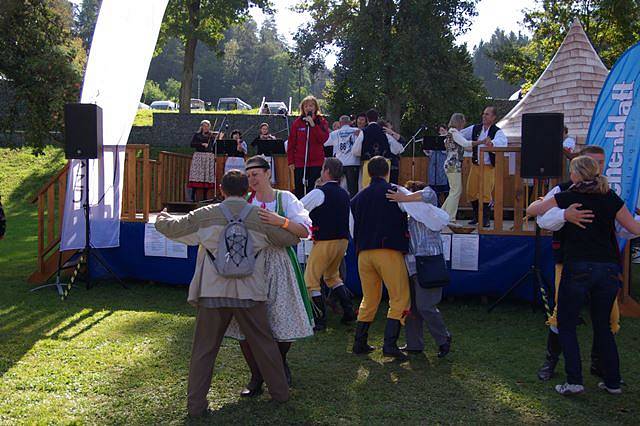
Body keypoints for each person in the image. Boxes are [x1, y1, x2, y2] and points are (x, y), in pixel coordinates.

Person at [155, 170, 297, 417]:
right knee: (264, 344)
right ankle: (280, 393)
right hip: (251, 293)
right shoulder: (260, 216)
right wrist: (279, 220)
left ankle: (196, 407)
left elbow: (171, 228)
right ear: (247, 191)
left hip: (212, 291)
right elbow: (289, 239)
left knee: (204, 349)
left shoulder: (206, 214)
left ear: (221, 190)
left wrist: (163, 215)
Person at [526, 155, 640, 396]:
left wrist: (554, 208)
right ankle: (612, 382)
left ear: (577, 174)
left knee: (567, 324)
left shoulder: (569, 196)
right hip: (608, 269)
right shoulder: (610, 198)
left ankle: (575, 381)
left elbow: (532, 210)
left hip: (578, 267)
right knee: (603, 326)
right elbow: (634, 228)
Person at [225, 156, 315, 397]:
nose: (251, 178)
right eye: (248, 174)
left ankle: (279, 361)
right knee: (245, 322)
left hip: (280, 264)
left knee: (282, 318)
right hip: (250, 266)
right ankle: (256, 376)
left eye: (255, 173)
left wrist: (281, 221)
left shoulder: (285, 199)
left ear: (267, 174)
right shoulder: (244, 202)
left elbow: (305, 231)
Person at [350, 156, 411, 361]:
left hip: (363, 253)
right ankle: (390, 345)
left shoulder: (358, 197)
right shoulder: (395, 190)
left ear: (369, 173)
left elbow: (352, 227)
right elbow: (414, 208)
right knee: (400, 297)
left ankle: (360, 342)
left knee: (370, 298)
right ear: (387, 172)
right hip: (388, 250)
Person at [386, 181, 452, 357]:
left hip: (430, 262)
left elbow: (429, 193)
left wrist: (403, 196)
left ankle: (444, 338)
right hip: (411, 265)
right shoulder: (409, 215)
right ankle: (414, 344)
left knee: (425, 306)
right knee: (412, 307)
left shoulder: (428, 206)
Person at [301, 158, 355, 331]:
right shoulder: (344, 194)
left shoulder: (319, 192)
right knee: (332, 277)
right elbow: (350, 220)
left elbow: (299, 207)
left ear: (326, 171)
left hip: (324, 240)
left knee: (310, 280)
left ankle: (320, 320)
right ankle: (348, 312)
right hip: (342, 241)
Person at [460, 106, 508, 227]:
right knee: (471, 191)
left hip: (488, 167)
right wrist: (452, 134)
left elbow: (502, 143)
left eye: (487, 114)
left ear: (493, 117)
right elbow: (461, 135)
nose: (484, 116)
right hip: (476, 165)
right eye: (483, 114)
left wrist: (492, 143)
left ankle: (485, 219)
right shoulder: (475, 128)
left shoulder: (497, 131)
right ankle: (477, 217)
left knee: (485, 193)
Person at [287, 95, 330, 199]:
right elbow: (291, 143)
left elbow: (323, 139)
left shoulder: (321, 121)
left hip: (316, 162)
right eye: (306, 106)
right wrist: (291, 161)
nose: (308, 108)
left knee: (313, 189)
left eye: (311, 105)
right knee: (300, 190)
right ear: (302, 108)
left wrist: (313, 125)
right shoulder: (297, 123)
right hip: (300, 162)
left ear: (315, 108)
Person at [440, 113, 480, 222]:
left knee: (454, 190)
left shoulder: (451, 133)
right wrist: (480, 141)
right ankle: (450, 217)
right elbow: (466, 144)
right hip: (453, 164)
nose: (464, 123)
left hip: (451, 164)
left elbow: (465, 148)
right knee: (456, 191)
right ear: (459, 121)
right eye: (463, 121)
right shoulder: (454, 133)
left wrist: (478, 147)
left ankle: (442, 214)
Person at [352, 109, 404, 188]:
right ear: (377, 118)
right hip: (384, 165)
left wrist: (363, 153)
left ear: (367, 119)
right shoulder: (384, 131)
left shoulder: (364, 132)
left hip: (368, 164)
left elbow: (355, 151)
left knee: (368, 189)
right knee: (383, 189)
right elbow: (398, 149)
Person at [324, 115, 361, 197]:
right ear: (350, 122)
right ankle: (353, 207)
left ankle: (338, 202)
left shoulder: (334, 134)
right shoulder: (357, 131)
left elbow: (325, 143)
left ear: (340, 123)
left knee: (337, 187)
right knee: (353, 189)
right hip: (353, 163)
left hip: (339, 163)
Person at [187, 120, 218, 202]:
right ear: (201, 127)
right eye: (204, 126)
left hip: (208, 157)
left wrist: (219, 139)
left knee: (206, 176)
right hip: (199, 156)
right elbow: (192, 144)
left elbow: (214, 147)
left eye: (207, 126)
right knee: (196, 175)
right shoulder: (197, 135)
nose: (205, 128)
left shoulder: (212, 136)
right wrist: (201, 144)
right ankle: (193, 196)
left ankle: (204, 197)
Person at [380, 120, 404, 185]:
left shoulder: (393, 136)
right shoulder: (388, 137)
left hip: (392, 164)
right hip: (387, 164)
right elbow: (399, 150)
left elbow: (402, 142)